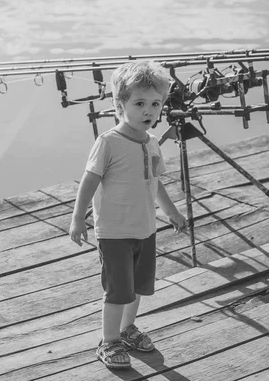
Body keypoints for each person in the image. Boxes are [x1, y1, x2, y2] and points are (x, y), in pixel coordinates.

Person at [69, 61, 188, 369]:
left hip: (145, 229)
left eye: (155, 104)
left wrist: (171, 211)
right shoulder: (108, 142)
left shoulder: (151, 143)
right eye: (139, 103)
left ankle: (127, 329)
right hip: (114, 233)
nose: (148, 110)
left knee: (137, 287)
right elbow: (90, 179)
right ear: (119, 105)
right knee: (118, 290)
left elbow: (155, 181)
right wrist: (78, 216)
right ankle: (108, 340)